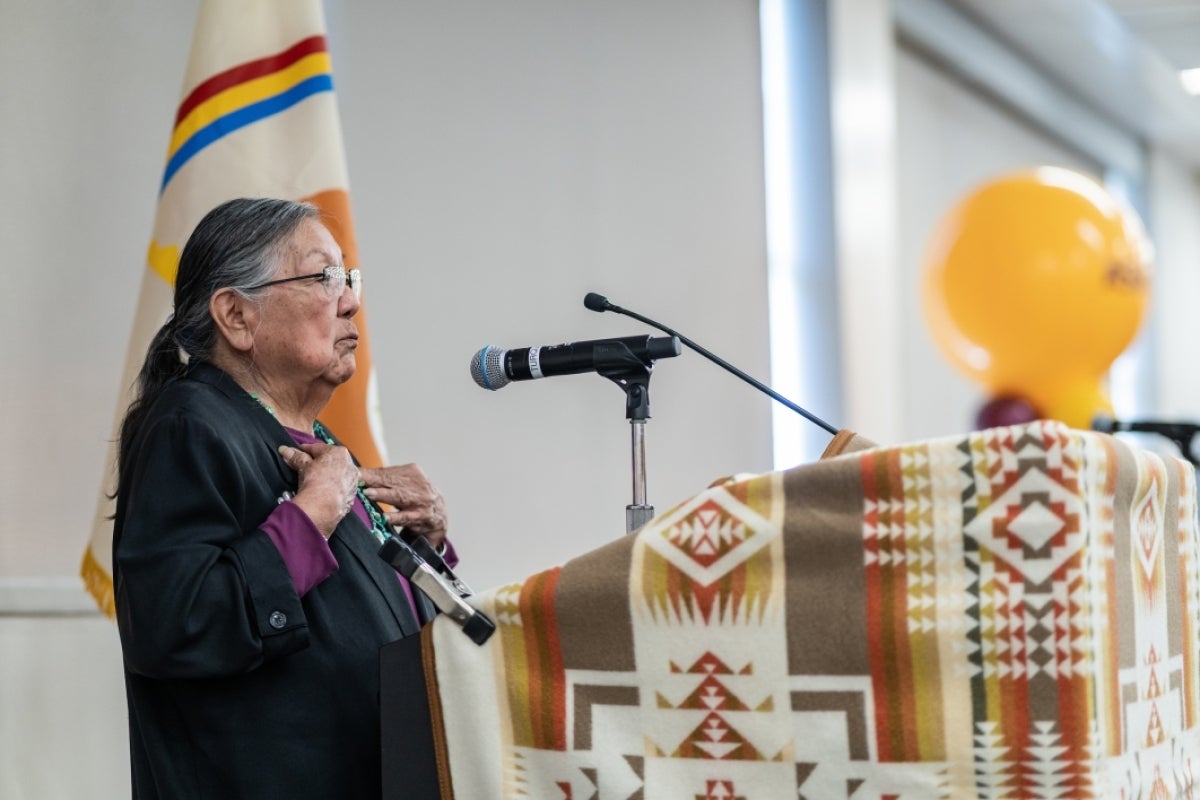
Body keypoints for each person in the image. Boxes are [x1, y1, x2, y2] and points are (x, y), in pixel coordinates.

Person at [112, 197, 452, 798]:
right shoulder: (190, 425)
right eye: (324, 277)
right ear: (237, 316)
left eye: (348, 278)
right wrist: (313, 515)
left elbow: (378, 629)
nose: (350, 300)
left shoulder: (312, 440)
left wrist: (427, 546)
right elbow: (174, 626)